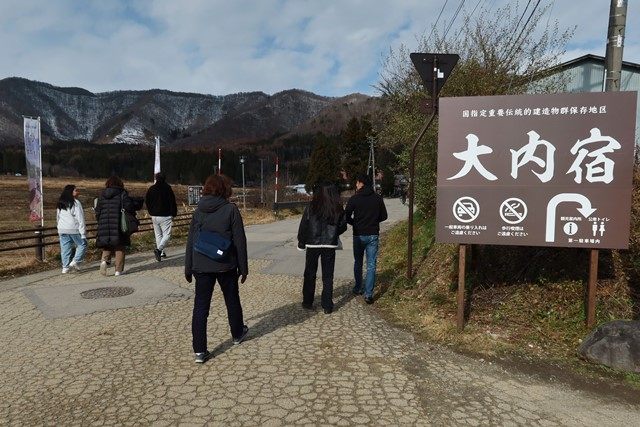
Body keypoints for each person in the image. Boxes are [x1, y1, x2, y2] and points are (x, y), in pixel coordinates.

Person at [185, 174, 249, 364]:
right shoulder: (230, 209)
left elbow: (191, 241)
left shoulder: (198, 211)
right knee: (232, 300)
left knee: (201, 307)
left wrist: (188, 267)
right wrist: (243, 268)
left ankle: (199, 351)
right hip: (225, 264)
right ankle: (237, 334)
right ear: (224, 189)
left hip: (201, 265)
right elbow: (239, 241)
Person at [297, 183, 347, 314]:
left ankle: (307, 302)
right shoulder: (337, 206)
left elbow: (304, 225)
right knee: (328, 275)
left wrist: (301, 242)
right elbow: (343, 226)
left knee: (309, 273)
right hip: (329, 245)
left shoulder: (311, 206)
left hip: (312, 244)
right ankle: (327, 305)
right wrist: (334, 233)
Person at [345, 174, 388, 304]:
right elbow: (384, 216)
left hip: (358, 234)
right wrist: (373, 221)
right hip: (373, 234)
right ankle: (369, 294)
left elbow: (346, 216)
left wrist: (354, 223)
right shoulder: (377, 198)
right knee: (371, 265)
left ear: (361, 183)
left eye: (357, 183)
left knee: (358, 262)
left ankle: (358, 288)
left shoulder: (354, 199)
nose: (356, 185)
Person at [95, 176, 142, 276]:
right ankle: (118, 271)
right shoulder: (122, 193)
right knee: (120, 246)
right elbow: (129, 206)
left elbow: (98, 210)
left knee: (107, 244)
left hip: (104, 223)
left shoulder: (102, 194)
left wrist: (100, 221)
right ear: (120, 184)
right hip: (118, 223)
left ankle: (104, 261)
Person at [145, 172, 178, 262]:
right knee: (167, 234)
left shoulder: (151, 188)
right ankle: (159, 250)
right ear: (164, 178)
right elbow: (172, 201)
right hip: (165, 215)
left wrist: (150, 211)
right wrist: (173, 213)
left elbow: (147, 201)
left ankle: (161, 252)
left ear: (156, 178)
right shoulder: (167, 188)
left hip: (154, 215)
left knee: (158, 235)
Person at [56, 184, 87, 273]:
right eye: (75, 190)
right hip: (73, 228)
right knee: (83, 244)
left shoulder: (60, 203)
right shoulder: (75, 203)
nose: (78, 192)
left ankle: (65, 267)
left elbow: (58, 217)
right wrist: (83, 233)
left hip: (62, 229)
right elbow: (80, 218)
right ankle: (75, 261)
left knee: (65, 248)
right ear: (71, 192)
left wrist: (58, 227)